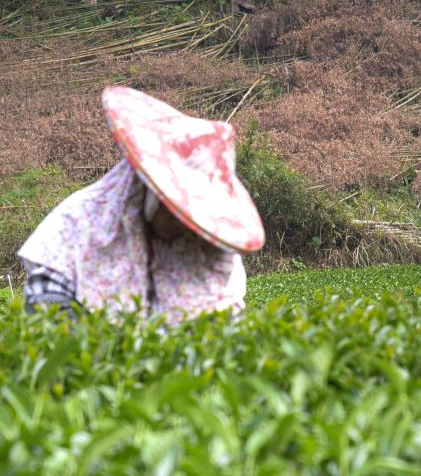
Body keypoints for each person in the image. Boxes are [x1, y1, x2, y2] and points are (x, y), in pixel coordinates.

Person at [17, 86, 265, 325]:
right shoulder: (78, 223)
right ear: (147, 191)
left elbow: (227, 324)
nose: (180, 221)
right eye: (171, 207)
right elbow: (48, 319)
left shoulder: (212, 243)